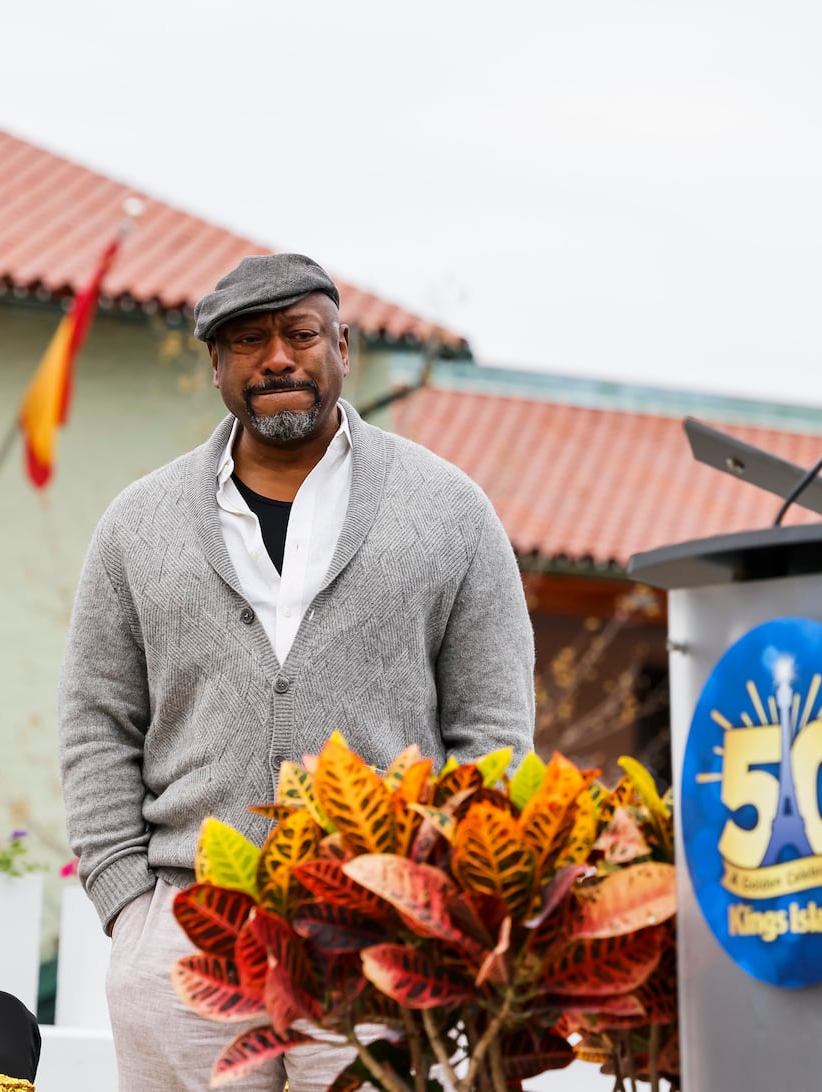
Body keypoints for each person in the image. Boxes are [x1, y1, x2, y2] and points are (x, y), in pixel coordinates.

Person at [57, 253, 536, 1089]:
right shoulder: (137, 525)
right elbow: (96, 717)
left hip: (382, 937)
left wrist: (443, 910)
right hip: (186, 934)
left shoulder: (450, 511)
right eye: (247, 341)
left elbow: (493, 727)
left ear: (342, 347)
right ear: (216, 366)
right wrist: (127, 901)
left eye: (299, 333)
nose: (276, 356)